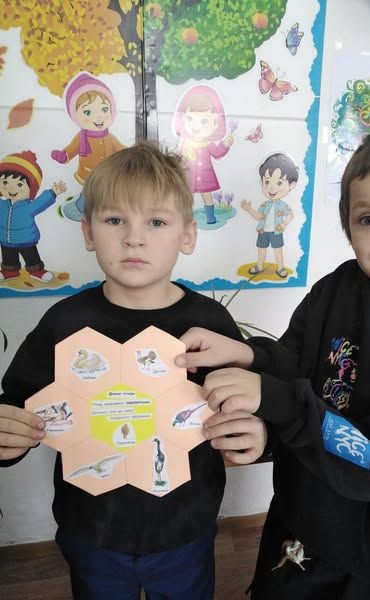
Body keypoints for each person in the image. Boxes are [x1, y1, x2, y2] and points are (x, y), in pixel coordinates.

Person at [176, 126, 370, 599]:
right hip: (296, 527)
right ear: (348, 226)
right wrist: (248, 356)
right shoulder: (336, 287)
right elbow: (295, 365)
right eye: (369, 219)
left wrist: (277, 403)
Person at [0, 142, 266, 600]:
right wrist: (7, 438)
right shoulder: (63, 322)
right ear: (88, 232)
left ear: (188, 235)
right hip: (91, 530)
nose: (133, 238)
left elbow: (243, 406)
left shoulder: (211, 325)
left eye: (156, 222)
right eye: (114, 220)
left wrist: (251, 431)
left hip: (185, 528)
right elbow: (18, 407)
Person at [51, 71, 126, 221]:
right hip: (88, 173)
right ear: (75, 115)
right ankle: (79, 209)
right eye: (87, 112)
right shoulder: (81, 138)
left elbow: (121, 150)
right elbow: (71, 149)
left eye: (104, 109)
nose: (98, 117)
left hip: (107, 174)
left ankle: (107, 211)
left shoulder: (110, 138)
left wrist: (132, 154)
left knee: (107, 193)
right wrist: (64, 155)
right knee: (88, 193)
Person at [0, 150, 66, 282]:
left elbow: (41, 202)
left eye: (19, 184)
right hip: (5, 240)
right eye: (5, 182)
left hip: (26, 239)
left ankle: (37, 271)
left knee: (31, 257)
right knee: (8, 257)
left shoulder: (28, 206)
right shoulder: (2, 205)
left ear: (31, 189)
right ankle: (9, 271)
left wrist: (53, 192)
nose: (11, 189)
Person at [172, 85, 234, 226]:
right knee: (186, 197)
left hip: (205, 176)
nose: (196, 126)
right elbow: (177, 158)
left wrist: (225, 144)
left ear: (216, 124)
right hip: (188, 176)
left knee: (207, 197)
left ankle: (210, 218)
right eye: (190, 119)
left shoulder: (208, 143)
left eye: (204, 121)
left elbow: (217, 153)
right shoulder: (185, 143)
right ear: (182, 119)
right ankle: (185, 219)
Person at [241, 153, 298, 278]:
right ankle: (259, 266)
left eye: (279, 183)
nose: (271, 188)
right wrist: (249, 209)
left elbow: (290, 215)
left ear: (291, 185)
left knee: (278, 250)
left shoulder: (281, 205)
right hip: (263, 231)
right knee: (261, 249)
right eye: (267, 182)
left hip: (276, 231)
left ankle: (280, 267)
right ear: (261, 182)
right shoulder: (264, 205)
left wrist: (284, 224)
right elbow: (258, 217)